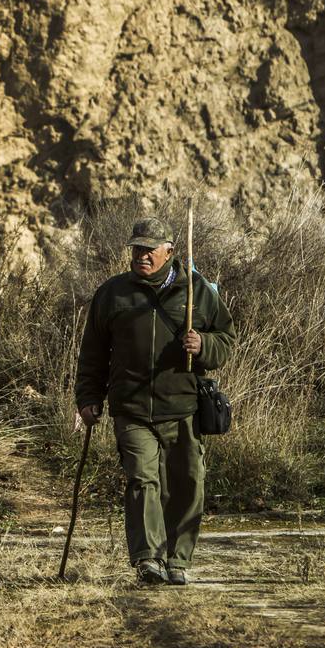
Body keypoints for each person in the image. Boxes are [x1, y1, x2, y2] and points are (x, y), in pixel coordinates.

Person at [74, 216, 234, 586]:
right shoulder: (113, 293)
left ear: (169, 252)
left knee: (188, 483)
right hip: (130, 408)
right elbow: (93, 353)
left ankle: (178, 560)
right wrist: (88, 397)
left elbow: (226, 338)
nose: (142, 255)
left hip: (183, 407)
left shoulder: (196, 292)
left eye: (149, 249)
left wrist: (204, 346)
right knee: (142, 480)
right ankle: (148, 560)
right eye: (137, 249)